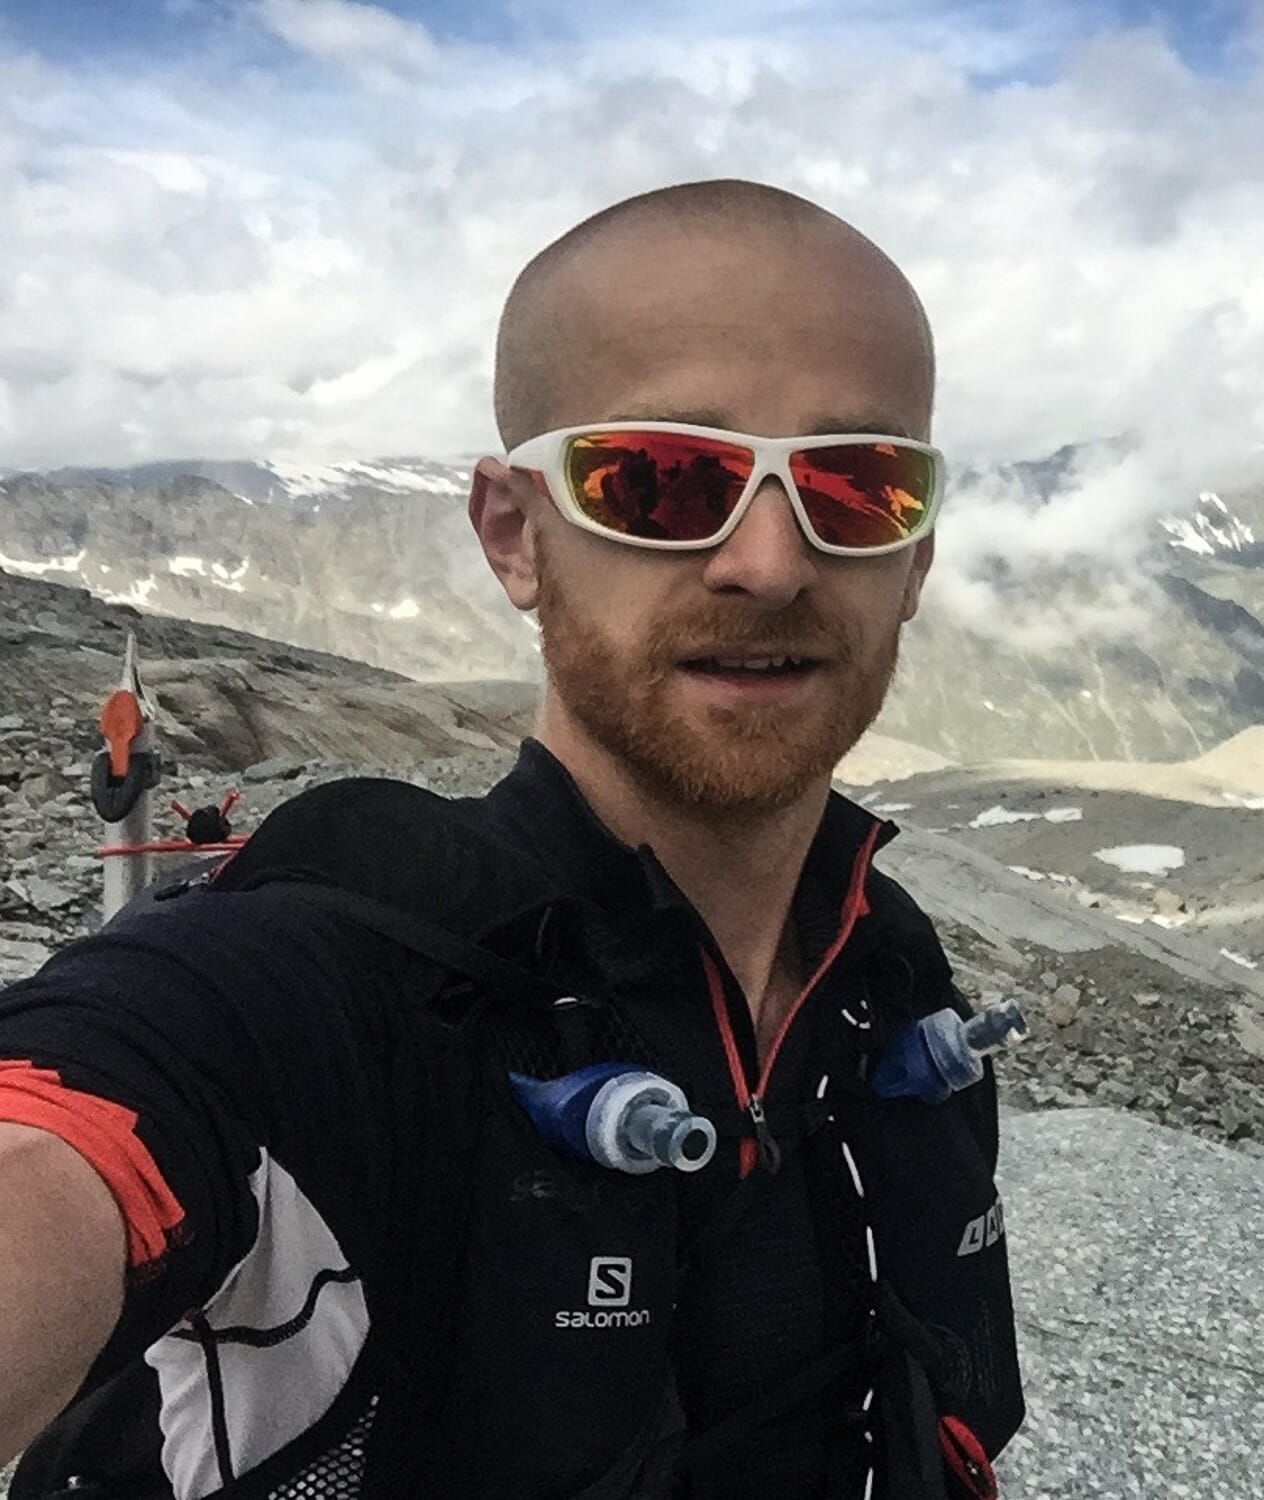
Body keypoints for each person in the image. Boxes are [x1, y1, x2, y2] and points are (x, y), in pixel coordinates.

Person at [0, 180, 1024, 1499]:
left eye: (857, 485)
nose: (771, 560)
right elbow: (72, 1131)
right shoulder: (335, 987)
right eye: (662, 482)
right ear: (513, 535)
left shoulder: (887, 977)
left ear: (919, 555)